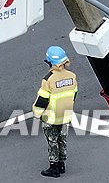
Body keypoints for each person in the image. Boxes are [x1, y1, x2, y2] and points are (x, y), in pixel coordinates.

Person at [34, 45, 78, 178]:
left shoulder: (48, 79)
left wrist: (37, 113)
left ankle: (54, 167)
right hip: (65, 114)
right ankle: (62, 164)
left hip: (51, 116)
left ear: (50, 62)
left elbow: (42, 100)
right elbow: (74, 94)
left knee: (52, 141)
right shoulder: (72, 76)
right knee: (62, 138)